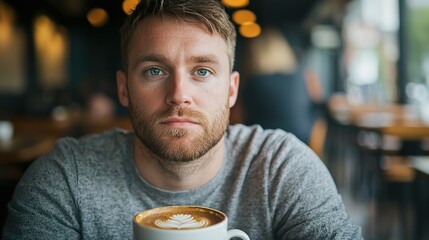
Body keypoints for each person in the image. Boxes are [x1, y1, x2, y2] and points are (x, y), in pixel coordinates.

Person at [2, 0, 362, 239]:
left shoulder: (284, 169)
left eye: (202, 71)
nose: (178, 94)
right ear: (124, 89)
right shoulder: (65, 180)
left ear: (232, 90)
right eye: (155, 70)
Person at [240, 26, 323, 145]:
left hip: (265, 143)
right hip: (304, 139)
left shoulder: (252, 83)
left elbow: (239, 119)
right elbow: (317, 110)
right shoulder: (305, 76)